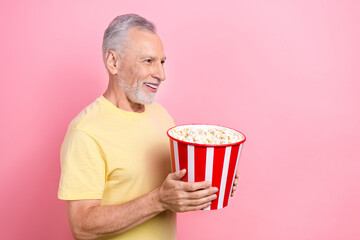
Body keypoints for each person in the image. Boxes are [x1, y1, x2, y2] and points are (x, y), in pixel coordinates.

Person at [58, 14, 240, 240]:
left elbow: (174, 190)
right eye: (148, 61)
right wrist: (158, 200)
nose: (161, 75)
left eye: (162, 62)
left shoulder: (161, 116)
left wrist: (213, 182)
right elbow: (82, 226)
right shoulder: (85, 131)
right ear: (114, 62)